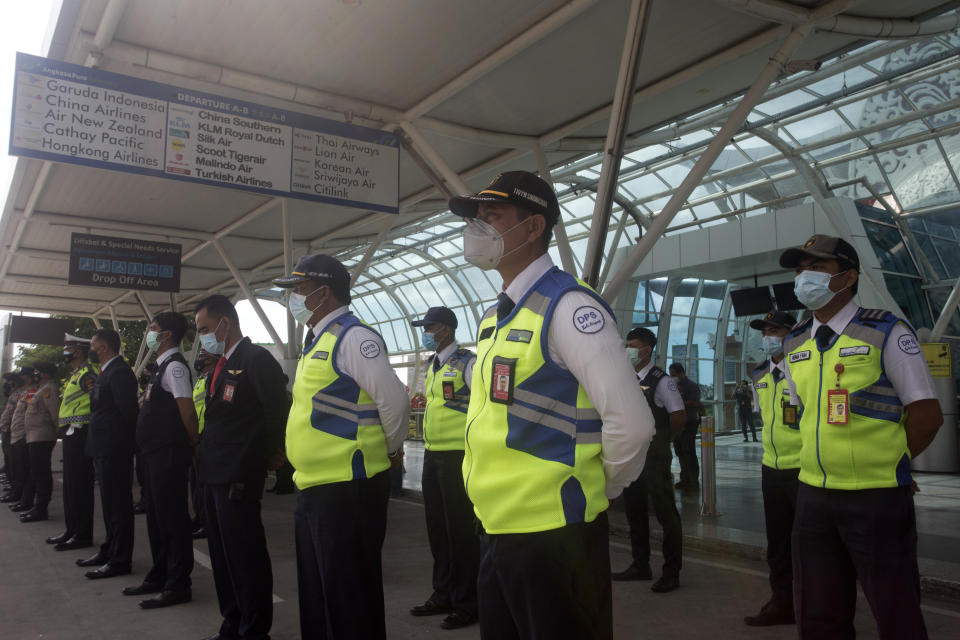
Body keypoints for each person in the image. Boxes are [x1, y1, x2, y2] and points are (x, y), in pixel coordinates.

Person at [449, 170, 654, 639]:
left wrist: (597, 489)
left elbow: (632, 424)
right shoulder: (495, 317)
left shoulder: (570, 308)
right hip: (498, 528)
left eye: (491, 216)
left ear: (533, 226)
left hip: (556, 536)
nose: (477, 229)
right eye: (476, 218)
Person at [780, 234, 942, 639]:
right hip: (813, 494)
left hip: (876, 496)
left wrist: (893, 461)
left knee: (894, 607)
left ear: (848, 276)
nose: (805, 277)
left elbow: (926, 415)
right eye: (801, 269)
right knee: (818, 611)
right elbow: (801, 414)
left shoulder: (886, 331)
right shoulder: (795, 341)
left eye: (817, 267)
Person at [274, 254, 409, 640]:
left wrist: (388, 450)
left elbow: (394, 402)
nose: (294, 299)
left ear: (324, 292)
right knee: (319, 593)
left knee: (349, 597)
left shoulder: (355, 338)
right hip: (316, 487)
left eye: (299, 291)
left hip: (347, 489)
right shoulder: (319, 340)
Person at [194, 294, 290, 640]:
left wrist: (268, 456)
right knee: (222, 557)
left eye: (205, 328)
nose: (203, 336)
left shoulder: (256, 359)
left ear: (225, 323)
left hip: (238, 473)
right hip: (213, 472)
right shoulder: (221, 365)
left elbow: (277, 410)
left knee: (245, 556)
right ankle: (231, 623)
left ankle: (253, 630)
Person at [408, 306, 480, 629]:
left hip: (456, 457)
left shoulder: (468, 364)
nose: (425, 332)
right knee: (438, 530)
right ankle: (444, 593)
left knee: (460, 531)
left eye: (430, 326)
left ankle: (467, 602)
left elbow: (482, 407)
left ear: (447, 329)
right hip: (432, 454)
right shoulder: (432, 365)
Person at [123, 312, 199, 609]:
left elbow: (187, 410)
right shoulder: (160, 366)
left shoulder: (175, 367)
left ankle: (178, 583)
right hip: (153, 454)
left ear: (166, 335)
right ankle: (160, 575)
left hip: (169, 454)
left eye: (152, 329)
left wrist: (195, 443)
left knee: (173, 519)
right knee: (156, 518)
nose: (149, 334)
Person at [613, 328, 686, 593]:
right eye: (626, 344)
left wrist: (663, 439)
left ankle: (671, 571)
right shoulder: (625, 378)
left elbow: (678, 415)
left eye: (633, 345)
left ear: (647, 349)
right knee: (635, 511)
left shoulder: (662, 381)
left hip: (654, 458)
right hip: (631, 456)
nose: (628, 350)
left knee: (666, 513)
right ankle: (640, 565)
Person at [743, 310, 800, 627]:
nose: (767, 336)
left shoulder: (805, 369)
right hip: (771, 470)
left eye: (774, 330)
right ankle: (782, 603)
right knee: (777, 544)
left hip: (805, 470)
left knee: (810, 544)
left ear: (791, 332)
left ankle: (817, 603)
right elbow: (764, 417)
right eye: (763, 331)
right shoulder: (759, 374)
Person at [77, 329, 139, 580]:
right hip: (103, 447)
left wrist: (123, 445)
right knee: (110, 505)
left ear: (104, 348)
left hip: (115, 449)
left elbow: (128, 412)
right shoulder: (106, 372)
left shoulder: (120, 373)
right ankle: (108, 550)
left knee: (119, 506)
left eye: (93, 345)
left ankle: (120, 559)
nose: (90, 349)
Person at [47, 334, 98, 550]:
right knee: (70, 486)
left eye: (68, 348)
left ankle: (82, 534)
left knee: (80, 486)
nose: (65, 352)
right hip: (70, 434)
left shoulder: (88, 374)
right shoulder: (75, 374)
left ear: (78, 351)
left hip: (81, 433)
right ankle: (72, 529)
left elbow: (97, 401)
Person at [19, 362, 61, 522]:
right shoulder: (41, 390)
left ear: (45, 374)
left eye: (38, 371)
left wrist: (59, 431)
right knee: (36, 472)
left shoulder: (49, 389)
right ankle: (37, 507)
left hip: (42, 437)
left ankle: (41, 508)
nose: (35, 374)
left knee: (41, 473)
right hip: (35, 437)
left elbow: (55, 414)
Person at [189, 348, 216, 539]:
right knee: (196, 484)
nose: (199, 360)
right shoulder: (201, 378)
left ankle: (207, 522)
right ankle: (199, 518)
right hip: (197, 434)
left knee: (205, 484)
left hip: (207, 435)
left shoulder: (215, 377)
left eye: (203, 357)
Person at [7, 367, 37, 513]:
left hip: (22, 435)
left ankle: (26, 500)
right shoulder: (24, 392)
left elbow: (28, 414)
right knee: (18, 469)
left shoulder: (32, 391)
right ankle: (21, 497)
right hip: (16, 434)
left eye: (22, 376)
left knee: (25, 470)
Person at [0, 368, 32, 506]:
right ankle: (15, 489)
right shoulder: (16, 394)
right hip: (9, 430)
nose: (9, 384)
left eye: (11, 382)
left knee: (18, 466)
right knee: (12, 464)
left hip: (18, 434)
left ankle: (19, 492)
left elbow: (24, 414)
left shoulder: (26, 393)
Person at [668, 362, 702, 492]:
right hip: (677, 423)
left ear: (681, 373)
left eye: (674, 375)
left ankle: (693, 480)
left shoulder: (691, 386)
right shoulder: (672, 386)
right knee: (679, 451)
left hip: (689, 422)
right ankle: (684, 479)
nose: (673, 377)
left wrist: (679, 400)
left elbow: (695, 402)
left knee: (689, 451)